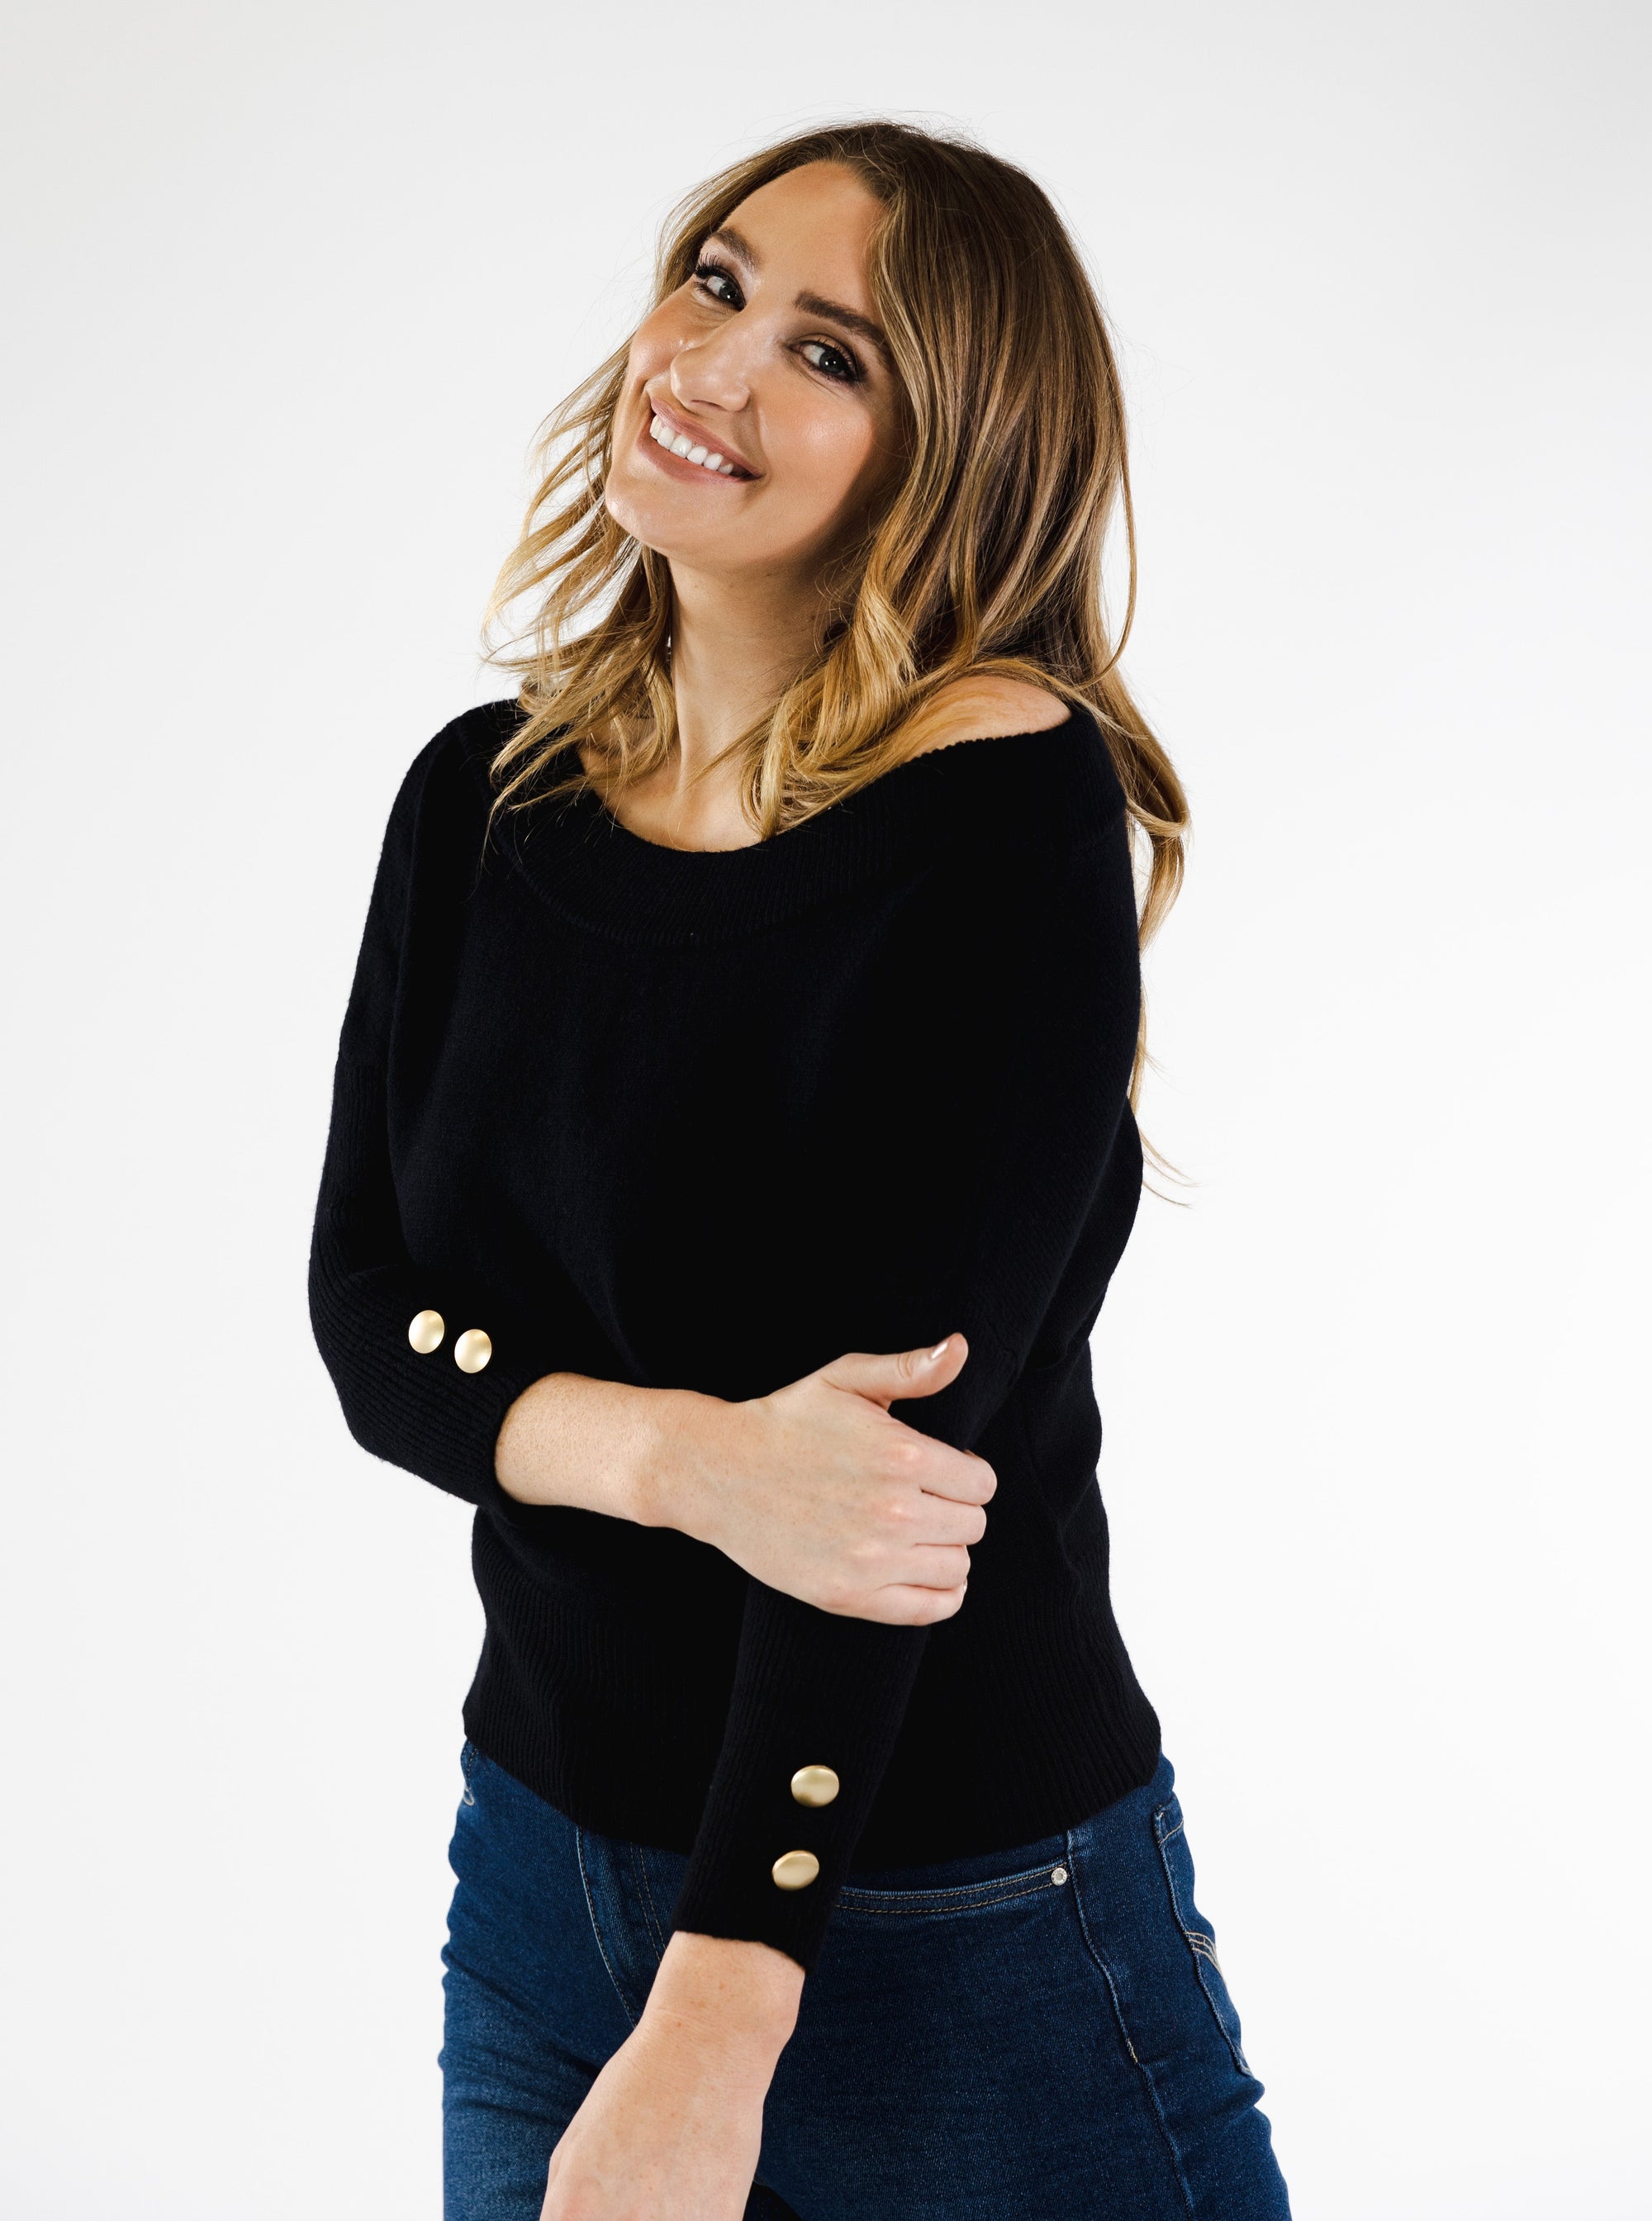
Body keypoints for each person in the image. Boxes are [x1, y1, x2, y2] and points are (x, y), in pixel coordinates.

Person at [309, 120, 1292, 2221]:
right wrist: (691, 1459)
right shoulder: (481, 801)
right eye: (718, 280)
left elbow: (881, 1492)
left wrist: (716, 2020)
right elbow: (369, 1324)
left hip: (952, 1919)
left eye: (830, 354)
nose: (714, 362)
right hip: (541, 1865)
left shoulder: (999, 817)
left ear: (952, 456)